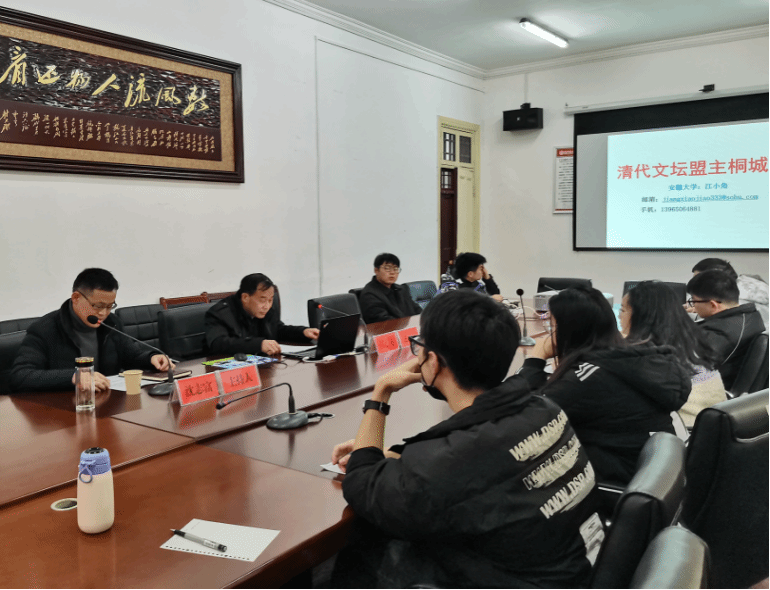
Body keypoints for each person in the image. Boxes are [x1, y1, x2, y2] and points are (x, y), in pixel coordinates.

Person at [329, 290, 603, 588]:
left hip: (517, 579)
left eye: (419, 347)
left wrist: (381, 391)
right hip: (575, 566)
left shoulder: (454, 458)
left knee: (364, 547)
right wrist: (393, 456)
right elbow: (471, 462)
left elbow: (361, 482)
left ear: (433, 361)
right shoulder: (542, 407)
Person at [517, 286, 691, 485]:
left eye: (553, 325)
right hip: (646, 475)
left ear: (568, 330)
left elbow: (528, 417)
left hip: (612, 482)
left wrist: (535, 360)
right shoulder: (631, 358)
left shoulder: (587, 377)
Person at [10, 268, 172, 393]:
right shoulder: (46, 329)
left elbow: (131, 355)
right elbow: (21, 376)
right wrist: (74, 377)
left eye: (109, 306)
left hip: (106, 402)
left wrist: (151, 358)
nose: (103, 313)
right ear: (76, 298)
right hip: (61, 410)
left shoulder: (111, 323)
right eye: (98, 306)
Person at [620, 281, 725, 428]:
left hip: (683, 432)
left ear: (641, 317)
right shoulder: (689, 341)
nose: (619, 316)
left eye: (623, 310)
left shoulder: (647, 357)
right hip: (710, 426)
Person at [686, 270, 765, 391]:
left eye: (694, 301)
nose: (693, 306)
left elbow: (687, 368)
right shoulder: (750, 316)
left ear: (713, 305)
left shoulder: (720, 333)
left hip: (708, 392)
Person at [205, 273, 319, 356]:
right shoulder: (220, 313)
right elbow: (218, 344)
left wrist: (303, 332)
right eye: (262, 300)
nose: (267, 306)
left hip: (262, 367)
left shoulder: (265, 310)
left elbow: (278, 330)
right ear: (245, 297)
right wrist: (258, 344)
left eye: (270, 300)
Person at [688, 258, 768, 330]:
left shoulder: (738, 301)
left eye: (698, 280)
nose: (695, 284)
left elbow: (714, 325)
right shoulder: (746, 287)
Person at [359, 253, 422, 324]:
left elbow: (417, 310)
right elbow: (384, 321)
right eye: (387, 268)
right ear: (376, 270)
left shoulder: (402, 289)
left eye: (395, 269)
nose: (392, 272)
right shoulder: (370, 295)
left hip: (410, 328)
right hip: (390, 329)